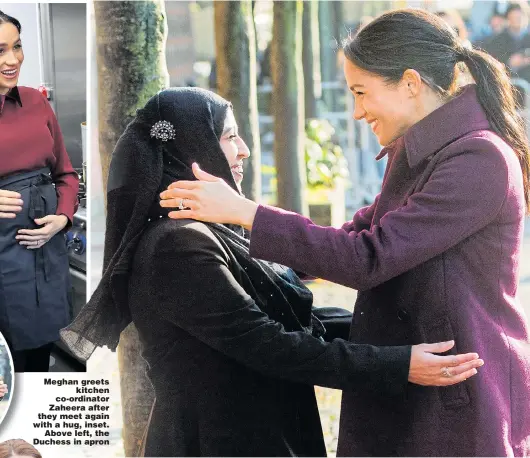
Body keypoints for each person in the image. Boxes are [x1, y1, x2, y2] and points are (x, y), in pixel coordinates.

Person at [160, 9, 530, 457]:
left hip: (456, 391)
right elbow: (355, 232)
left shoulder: (478, 159)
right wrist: (238, 251)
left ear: (410, 83)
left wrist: (248, 214)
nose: (355, 111)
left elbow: (367, 258)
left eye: (361, 92)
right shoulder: (421, 148)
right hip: (416, 377)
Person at [63, 87, 482, 457]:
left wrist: (407, 334)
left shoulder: (214, 232)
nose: (244, 149)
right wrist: (396, 364)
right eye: (228, 137)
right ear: (192, 150)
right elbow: (272, 345)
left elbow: (301, 321)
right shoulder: (175, 246)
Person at [0, 11, 79, 372]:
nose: (12, 59)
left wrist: (61, 218)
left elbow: (65, 174)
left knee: (36, 363)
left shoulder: (36, 102)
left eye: (17, 47)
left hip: (46, 255)